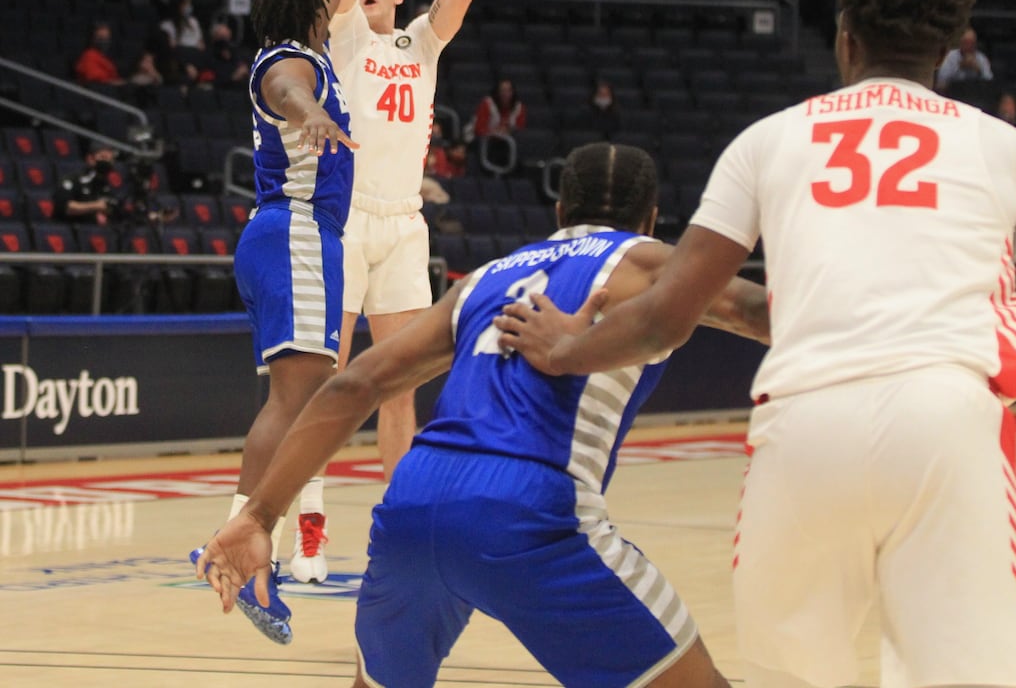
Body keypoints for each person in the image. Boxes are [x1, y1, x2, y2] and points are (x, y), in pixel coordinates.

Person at [495, 0, 1016, 688]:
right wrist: (954, 371)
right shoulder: (1008, 148)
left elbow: (664, 317)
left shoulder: (767, 140)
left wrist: (563, 348)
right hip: (950, 426)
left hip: (807, 425)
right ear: (946, 52)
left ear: (844, 39)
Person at [193, 142, 770, 688]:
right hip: (529, 505)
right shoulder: (649, 263)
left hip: (414, 501)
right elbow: (762, 311)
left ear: (561, 210)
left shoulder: (488, 278)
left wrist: (261, 515)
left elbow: (354, 385)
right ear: (650, 219)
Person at [190, 0, 380, 646]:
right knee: (298, 403)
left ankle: (242, 540)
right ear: (310, 19)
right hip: (297, 234)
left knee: (301, 399)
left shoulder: (300, 41)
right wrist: (314, 115)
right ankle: (244, 548)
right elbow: (289, 91)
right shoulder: (293, 64)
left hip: (289, 238)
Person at [322, 0, 474, 565]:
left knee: (399, 386)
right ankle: (301, 523)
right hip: (347, 219)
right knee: (324, 375)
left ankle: (396, 531)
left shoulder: (420, 44)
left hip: (403, 223)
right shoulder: (346, 31)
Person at [52, 142, 119, 224]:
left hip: (96, 232)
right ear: (90, 159)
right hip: (70, 228)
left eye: (110, 159)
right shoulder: (74, 180)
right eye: (103, 157)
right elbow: (64, 207)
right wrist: (96, 206)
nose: (107, 163)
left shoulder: (108, 186)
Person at [935, 25, 992, 90]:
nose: (969, 46)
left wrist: (979, 71)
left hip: (976, 92)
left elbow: (989, 81)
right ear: (960, 42)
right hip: (953, 92)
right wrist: (959, 68)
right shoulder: (950, 56)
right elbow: (941, 81)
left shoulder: (981, 58)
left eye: (972, 43)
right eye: (966, 42)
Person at [73, 21, 124, 86]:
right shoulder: (88, 55)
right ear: (92, 38)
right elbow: (95, 79)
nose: (104, 41)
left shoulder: (104, 58)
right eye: (100, 38)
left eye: (107, 38)